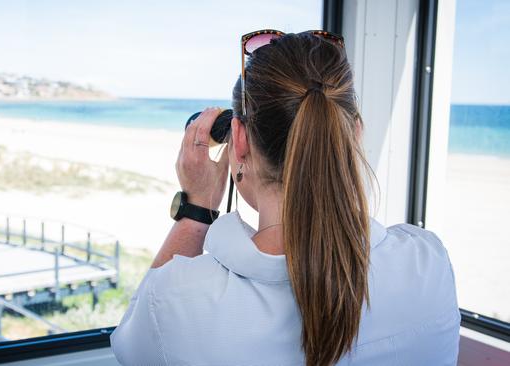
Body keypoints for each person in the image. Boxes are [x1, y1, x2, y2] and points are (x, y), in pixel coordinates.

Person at [110, 30, 460, 366]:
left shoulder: (176, 304)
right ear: (354, 135)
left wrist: (197, 208)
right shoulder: (428, 262)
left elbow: (131, 348)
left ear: (239, 140)